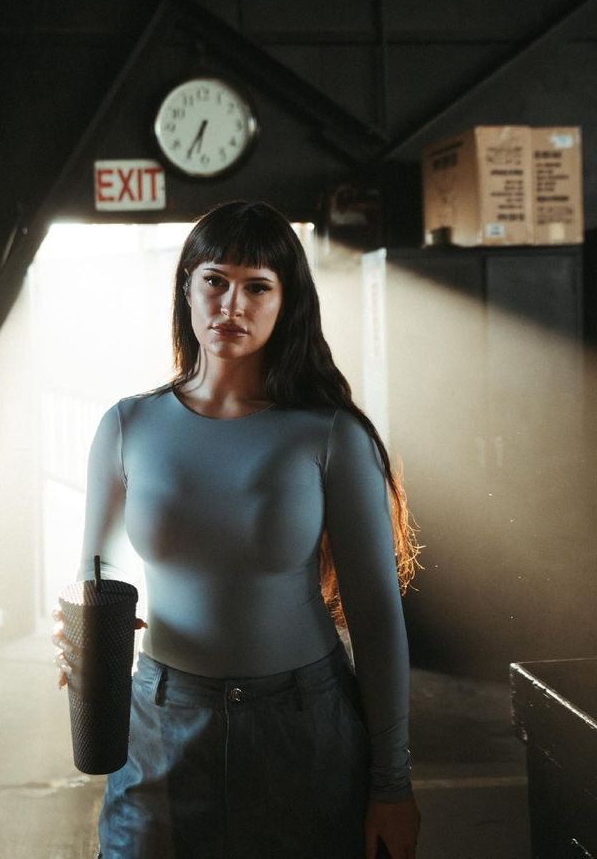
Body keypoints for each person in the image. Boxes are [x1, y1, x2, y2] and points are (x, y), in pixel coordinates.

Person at [54, 200, 421, 859]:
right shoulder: (126, 426)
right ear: (187, 288)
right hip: (161, 719)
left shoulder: (331, 433)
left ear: (287, 303)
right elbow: (94, 576)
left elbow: (377, 616)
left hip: (302, 725)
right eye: (215, 281)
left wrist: (392, 782)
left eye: (258, 286)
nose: (232, 305)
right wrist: (84, 639)